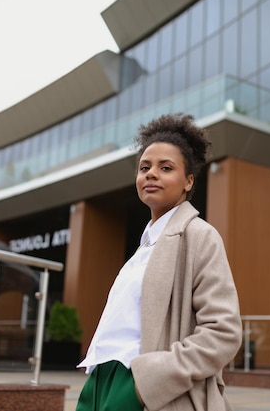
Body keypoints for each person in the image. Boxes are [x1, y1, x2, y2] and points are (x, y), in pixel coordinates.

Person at [76, 113, 242, 411]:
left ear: (188, 181)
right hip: (100, 380)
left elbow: (223, 332)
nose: (151, 174)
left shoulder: (199, 236)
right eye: (144, 167)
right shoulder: (144, 248)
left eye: (166, 168)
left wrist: (148, 381)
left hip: (141, 385)